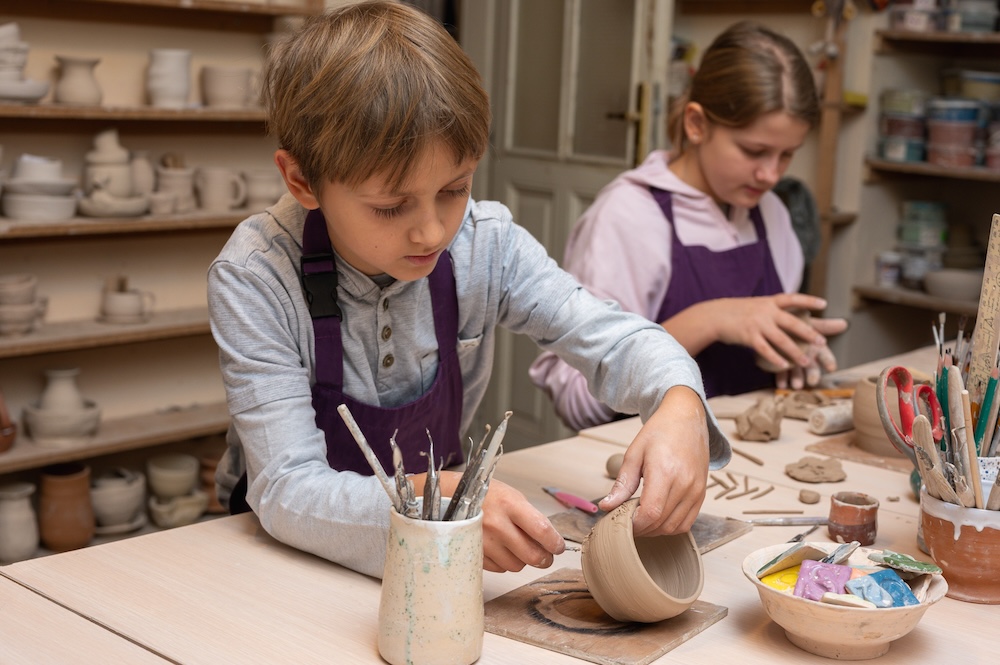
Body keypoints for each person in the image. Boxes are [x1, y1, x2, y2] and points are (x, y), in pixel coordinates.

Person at [207, 1, 730, 580]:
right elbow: (287, 489)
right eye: (391, 206)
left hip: (438, 541)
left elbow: (614, 338)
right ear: (302, 179)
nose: (432, 232)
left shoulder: (484, 245)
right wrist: (432, 510)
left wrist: (678, 399)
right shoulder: (256, 277)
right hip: (280, 550)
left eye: (454, 189)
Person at [530, 21, 849, 432]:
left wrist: (790, 350)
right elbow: (575, 400)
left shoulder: (771, 212)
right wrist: (711, 320)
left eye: (787, 154)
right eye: (754, 151)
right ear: (696, 124)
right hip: (643, 458)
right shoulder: (629, 216)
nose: (771, 174)